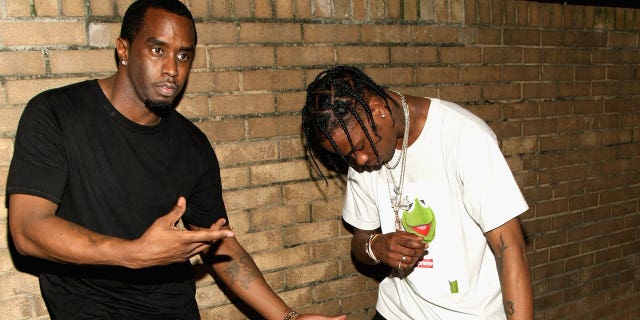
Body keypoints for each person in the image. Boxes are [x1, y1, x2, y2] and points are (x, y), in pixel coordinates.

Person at [6, 1, 346, 319]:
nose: (172, 69)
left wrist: (288, 316)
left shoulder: (192, 145)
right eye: (158, 50)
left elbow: (220, 246)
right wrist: (132, 253)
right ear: (123, 50)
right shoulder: (56, 114)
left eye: (184, 56)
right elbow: (27, 230)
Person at [301, 65, 533, 320]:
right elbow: (360, 241)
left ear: (378, 109)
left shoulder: (464, 137)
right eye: (349, 155)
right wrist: (377, 247)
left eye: (360, 147)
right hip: (396, 313)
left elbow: (510, 248)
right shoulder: (362, 156)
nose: (360, 159)